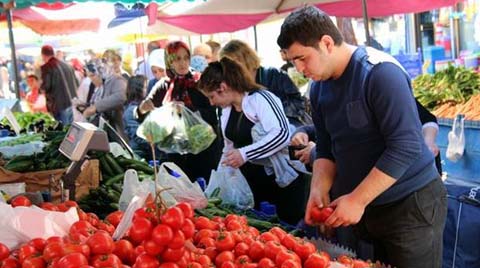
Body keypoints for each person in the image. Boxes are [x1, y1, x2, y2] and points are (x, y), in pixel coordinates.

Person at [277, 6, 447, 268]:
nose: (299, 68)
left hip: (411, 205)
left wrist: (357, 199)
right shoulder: (318, 88)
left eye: (302, 58)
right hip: (368, 210)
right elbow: (326, 147)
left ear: (326, 43)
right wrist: (318, 190)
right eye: (293, 62)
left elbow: (406, 145)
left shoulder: (379, 73)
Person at [198, 57, 308, 225]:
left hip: (283, 182)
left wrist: (244, 153)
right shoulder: (226, 111)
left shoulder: (262, 99)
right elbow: (228, 148)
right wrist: (220, 178)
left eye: (212, 96)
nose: (211, 103)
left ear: (223, 88)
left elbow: (281, 134)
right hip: (253, 184)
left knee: (287, 229)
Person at [136, 41, 221, 181]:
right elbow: (142, 118)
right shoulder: (164, 85)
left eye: (186, 58)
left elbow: (213, 115)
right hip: (174, 154)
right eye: (177, 59)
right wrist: (142, 109)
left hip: (203, 153)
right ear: (169, 61)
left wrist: (188, 111)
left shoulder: (200, 82)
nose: (182, 63)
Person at [292, 99, 443, 175]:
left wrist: (315, 153)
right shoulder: (330, 91)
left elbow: (363, 147)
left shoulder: (381, 86)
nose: (300, 68)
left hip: (405, 184)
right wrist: (304, 131)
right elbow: (333, 128)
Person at [220, 39, 308, 127]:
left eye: (232, 63)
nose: (229, 68)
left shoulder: (273, 75)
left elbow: (297, 103)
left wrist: (273, 116)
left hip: (283, 132)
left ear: (244, 58)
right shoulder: (232, 84)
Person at [83, 51, 127, 141]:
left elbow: (121, 96)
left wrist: (96, 107)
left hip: (119, 130)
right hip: (108, 133)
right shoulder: (102, 86)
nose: (91, 79)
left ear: (100, 72)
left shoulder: (117, 80)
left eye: (92, 76)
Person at [40, 45, 78, 125]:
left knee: (63, 132)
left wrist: (40, 89)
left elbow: (46, 86)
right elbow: (77, 82)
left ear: (43, 55)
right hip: (73, 102)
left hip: (59, 105)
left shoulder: (47, 67)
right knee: (71, 131)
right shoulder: (67, 65)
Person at [123, 75, 151, 159]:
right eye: (146, 87)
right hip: (140, 155)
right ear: (138, 90)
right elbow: (138, 136)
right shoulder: (131, 111)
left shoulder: (144, 106)